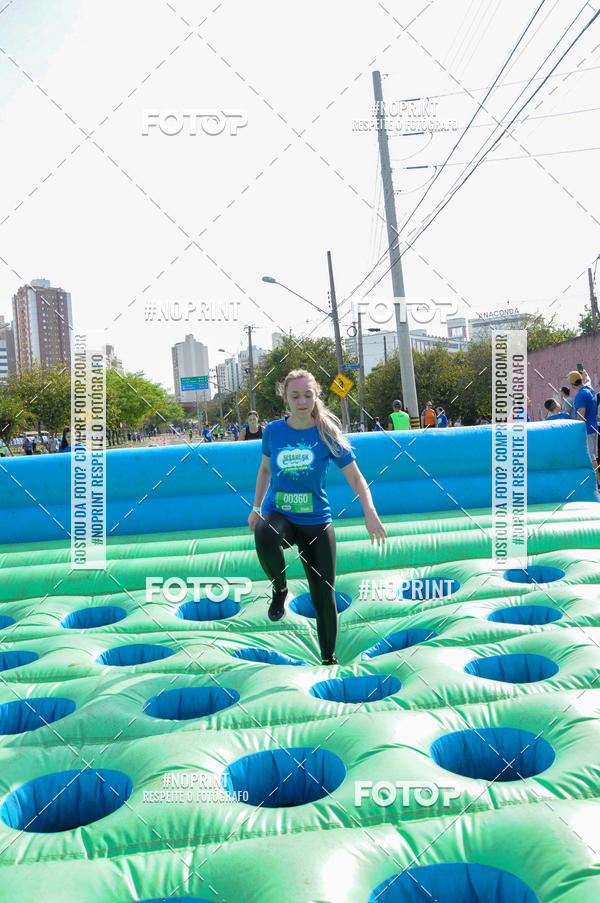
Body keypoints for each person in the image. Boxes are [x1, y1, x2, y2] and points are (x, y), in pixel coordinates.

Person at [249, 368, 387, 666]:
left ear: (316, 396)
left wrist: (370, 512)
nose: (302, 401)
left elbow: (356, 477)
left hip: (316, 524)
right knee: (264, 532)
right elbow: (264, 470)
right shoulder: (273, 431)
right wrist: (257, 506)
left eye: (308, 395)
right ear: (285, 397)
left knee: (324, 598)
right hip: (280, 516)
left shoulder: (326, 433)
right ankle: (280, 588)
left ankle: (328, 658)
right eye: (295, 395)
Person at [568, 368, 598, 483]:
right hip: (593, 427)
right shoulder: (589, 388)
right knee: (593, 455)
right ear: (581, 380)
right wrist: (586, 374)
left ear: (571, 384)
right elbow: (589, 380)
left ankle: (596, 483)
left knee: (591, 457)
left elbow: (581, 416)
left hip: (586, 430)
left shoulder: (580, 395)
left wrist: (576, 431)